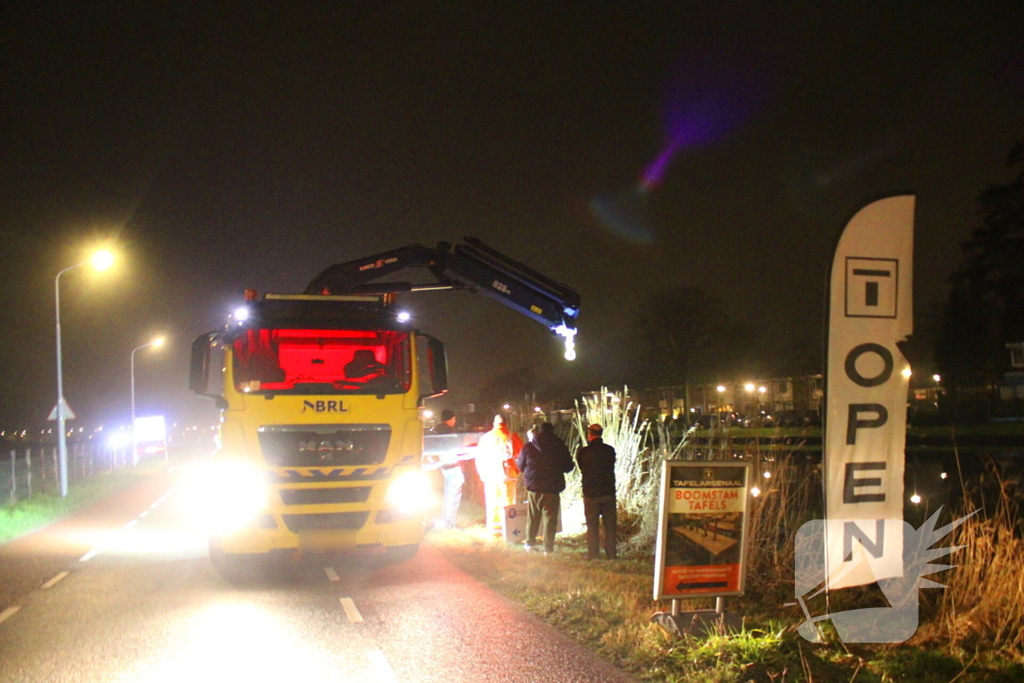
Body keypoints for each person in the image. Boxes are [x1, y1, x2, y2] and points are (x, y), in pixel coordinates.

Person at [516, 422, 574, 553]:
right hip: (552, 488)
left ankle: (530, 544)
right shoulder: (559, 446)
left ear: (539, 432)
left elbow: (520, 466)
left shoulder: (528, 447)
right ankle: (548, 549)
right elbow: (568, 467)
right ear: (552, 432)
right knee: (550, 520)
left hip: (534, 488)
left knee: (533, 518)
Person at [576, 423, 617, 560]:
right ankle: (611, 554)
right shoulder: (609, 450)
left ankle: (593, 554)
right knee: (610, 526)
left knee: (592, 525)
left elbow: (581, 467)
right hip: (608, 492)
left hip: (591, 493)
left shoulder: (584, 452)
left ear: (589, 434)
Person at [475, 414, 522, 533]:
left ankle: (494, 527)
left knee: (492, 501)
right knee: (508, 501)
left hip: (490, 475)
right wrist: (518, 470)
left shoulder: (485, 438)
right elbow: (521, 454)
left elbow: (479, 458)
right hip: (508, 475)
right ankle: (509, 527)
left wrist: (481, 474)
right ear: (506, 424)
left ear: (494, 424)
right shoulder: (512, 436)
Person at [432, 409, 464, 529]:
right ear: (449, 419)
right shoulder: (448, 432)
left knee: (448, 494)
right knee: (453, 495)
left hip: (446, 467)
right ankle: (449, 522)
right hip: (453, 466)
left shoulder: (438, 431)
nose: (455, 421)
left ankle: (447, 519)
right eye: (454, 419)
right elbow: (455, 447)